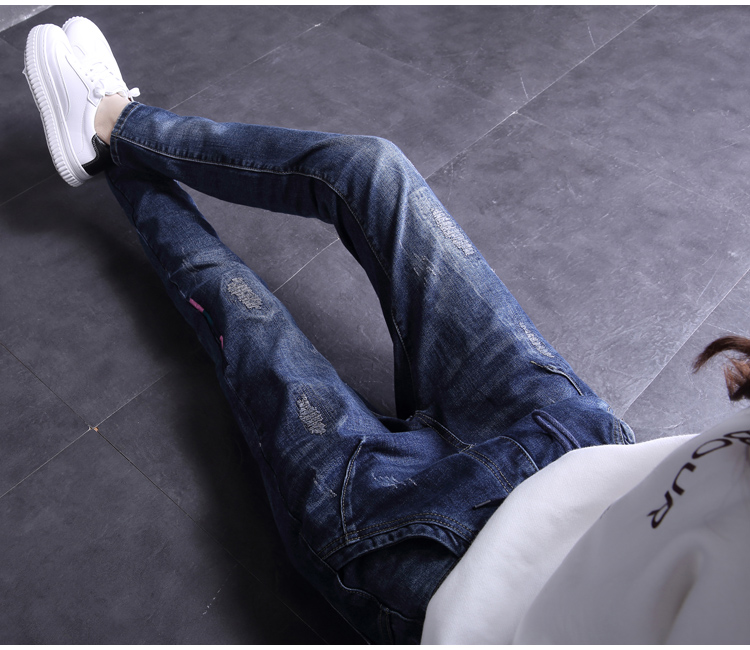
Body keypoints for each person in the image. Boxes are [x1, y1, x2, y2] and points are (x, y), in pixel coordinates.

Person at [23, 18, 750, 645]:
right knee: (372, 169)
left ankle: (106, 144)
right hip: (564, 438)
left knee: (237, 303)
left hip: (439, 568)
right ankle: (119, 124)